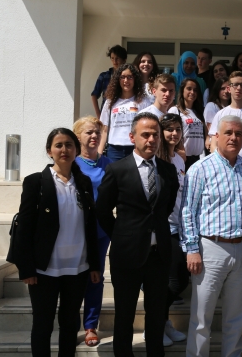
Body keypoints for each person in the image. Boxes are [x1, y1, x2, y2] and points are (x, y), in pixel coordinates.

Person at [96, 112, 179, 356]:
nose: (151, 139)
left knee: (156, 314)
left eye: (155, 134)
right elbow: (102, 210)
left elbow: (167, 206)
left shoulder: (168, 170)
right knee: (125, 314)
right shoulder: (117, 169)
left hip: (158, 255)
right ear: (132, 137)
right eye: (145, 134)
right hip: (127, 254)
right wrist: (121, 235)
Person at [14, 128, 100, 356]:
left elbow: (90, 226)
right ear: (49, 151)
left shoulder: (83, 182)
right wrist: (27, 268)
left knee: (70, 324)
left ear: (77, 150)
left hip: (77, 268)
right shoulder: (36, 182)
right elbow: (24, 228)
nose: (64, 150)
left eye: (69, 145)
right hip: (44, 269)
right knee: (43, 324)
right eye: (59, 145)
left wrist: (94, 265)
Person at [180, 115, 242, 357]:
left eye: (238, 134)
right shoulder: (200, 169)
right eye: (228, 133)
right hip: (210, 249)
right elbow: (187, 212)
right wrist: (192, 249)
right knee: (201, 317)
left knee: (236, 316)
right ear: (216, 136)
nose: (234, 137)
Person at [73, 116, 112, 347]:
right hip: (75, 230)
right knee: (74, 277)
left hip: (100, 231)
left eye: (97, 132)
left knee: (95, 277)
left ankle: (90, 325)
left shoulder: (108, 164)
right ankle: (70, 324)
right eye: (89, 132)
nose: (94, 136)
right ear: (78, 137)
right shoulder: (72, 164)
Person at [156, 113, 189, 347]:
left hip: (180, 224)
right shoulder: (156, 159)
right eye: (169, 129)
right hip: (164, 226)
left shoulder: (179, 158)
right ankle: (155, 324)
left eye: (178, 129)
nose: (174, 133)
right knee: (174, 281)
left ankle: (163, 321)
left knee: (180, 279)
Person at [98, 63, 152, 162]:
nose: (126, 80)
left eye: (130, 77)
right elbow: (104, 129)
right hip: (114, 150)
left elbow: (148, 127)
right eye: (122, 77)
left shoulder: (143, 101)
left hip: (136, 147)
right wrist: (99, 153)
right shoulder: (110, 101)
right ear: (118, 80)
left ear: (135, 79)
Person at [169, 78, 207, 170]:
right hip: (182, 157)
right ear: (182, 90)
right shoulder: (175, 110)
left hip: (199, 158)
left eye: (195, 90)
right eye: (189, 89)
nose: (192, 92)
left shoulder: (201, 112)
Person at [91, 45, 127, 119]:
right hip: (107, 113)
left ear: (124, 60)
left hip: (124, 112)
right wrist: (98, 114)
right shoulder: (104, 76)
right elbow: (94, 95)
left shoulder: (129, 77)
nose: (114, 61)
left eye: (117, 58)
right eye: (112, 58)